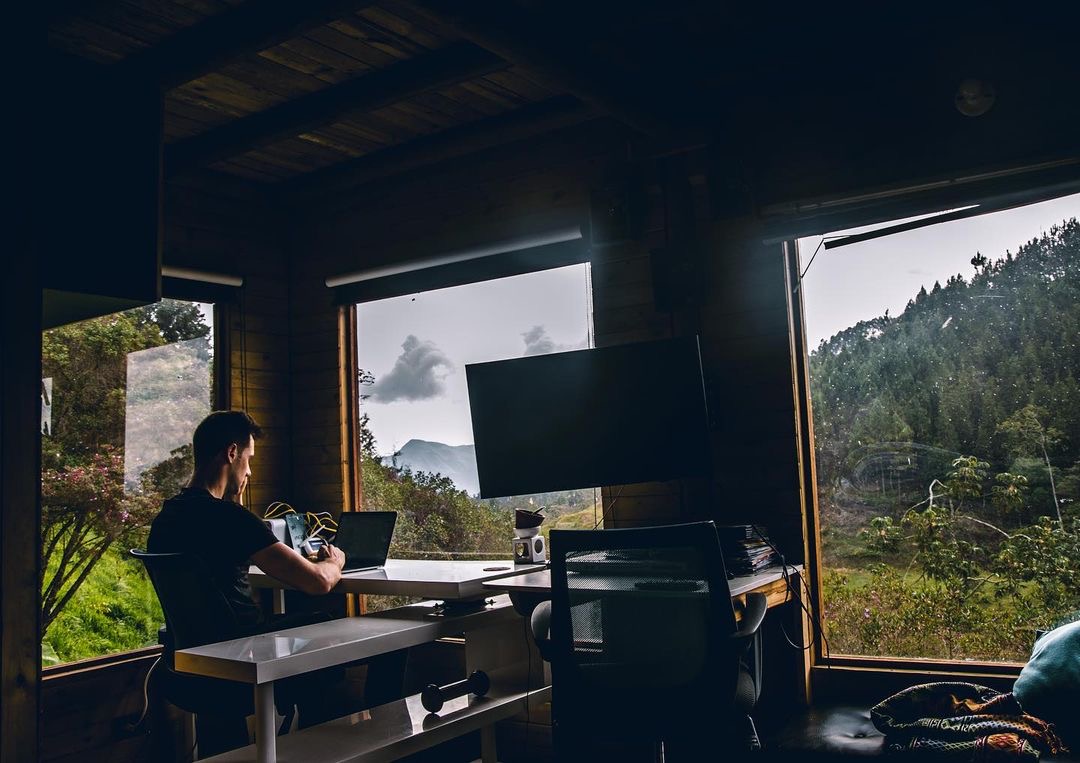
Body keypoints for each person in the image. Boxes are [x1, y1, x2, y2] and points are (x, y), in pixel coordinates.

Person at [147, 410, 405, 754]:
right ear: (231, 453)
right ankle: (380, 749)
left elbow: (220, 560)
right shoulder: (230, 520)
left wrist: (235, 503)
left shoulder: (167, 519)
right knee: (387, 640)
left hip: (189, 666)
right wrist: (335, 561)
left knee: (311, 629)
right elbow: (316, 583)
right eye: (249, 459)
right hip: (245, 660)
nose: (250, 471)